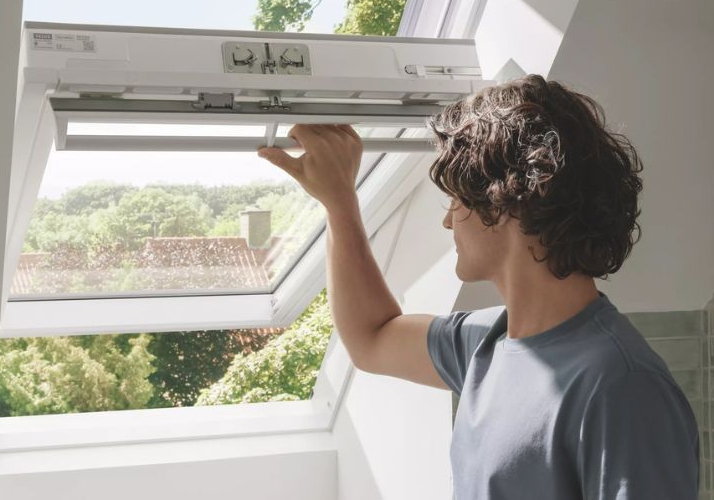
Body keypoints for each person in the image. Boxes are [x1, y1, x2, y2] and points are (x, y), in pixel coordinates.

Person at [256, 74, 700, 499]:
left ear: (506, 202)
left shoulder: (621, 387)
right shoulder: (486, 345)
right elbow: (371, 338)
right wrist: (339, 203)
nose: (447, 219)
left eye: (455, 200)